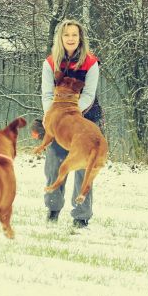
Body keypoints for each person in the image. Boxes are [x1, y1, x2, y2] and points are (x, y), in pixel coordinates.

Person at [38, 19, 103, 228]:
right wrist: (53, 117)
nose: (71, 38)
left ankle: (81, 216)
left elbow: (89, 95)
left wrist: (73, 113)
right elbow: (47, 94)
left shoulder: (91, 63)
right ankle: (53, 209)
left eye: (74, 35)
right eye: (67, 35)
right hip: (58, 122)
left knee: (84, 167)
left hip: (86, 118)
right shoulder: (50, 63)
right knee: (55, 164)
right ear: (61, 38)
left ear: (80, 38)